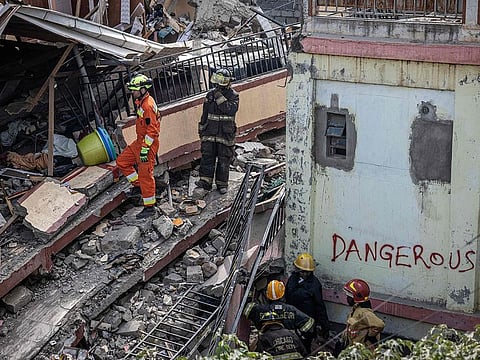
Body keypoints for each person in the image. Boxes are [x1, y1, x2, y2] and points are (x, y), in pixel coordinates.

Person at [117, 73, 161, 219]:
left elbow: (152, 130)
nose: (132, 93)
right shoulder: (142, 102)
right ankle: (138, 187)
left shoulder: (147, 105)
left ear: (142, 89)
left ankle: (150, 207)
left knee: (146, 175)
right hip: (140, 141)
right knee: (122, 162)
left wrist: (144, 149)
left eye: (134, 90)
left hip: (147, 145)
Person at [196, 68, 239, 195]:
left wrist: (219, 96)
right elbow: (205, 113)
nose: (219, 85)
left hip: (225, 133)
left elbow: (229, 110)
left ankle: (222, 184)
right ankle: (205, 182)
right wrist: (201, 128)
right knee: (207, 157)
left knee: (224, 159)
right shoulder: (210, 95)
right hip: (209, 131)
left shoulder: (234, 96)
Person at [244, 279, 315, 352]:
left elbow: (247, 309)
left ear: (267, 295)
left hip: (268, 346)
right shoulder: (291, 310)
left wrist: (249, 289)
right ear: (282, 294)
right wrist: (301, 337)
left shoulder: (261, 310)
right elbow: (309, 323)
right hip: (291, 345)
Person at [285, 253, 331, 352]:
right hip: (292, 320)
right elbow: (286, 297)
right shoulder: (292, 279)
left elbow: (320, 306)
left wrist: (325, 327)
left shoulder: (314, 285)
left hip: (306, 323)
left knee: (304, 347)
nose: (305, 274)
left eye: (307, 272)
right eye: (303, 272)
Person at [334, 278, 385, 356]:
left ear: (356, 298)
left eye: (349, 296)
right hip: (352, 349)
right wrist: (342, 341)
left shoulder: (364, 312)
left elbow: (380, 324)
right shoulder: (355, 309)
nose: (347, 299)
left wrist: (369, 336)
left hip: (361, 353)